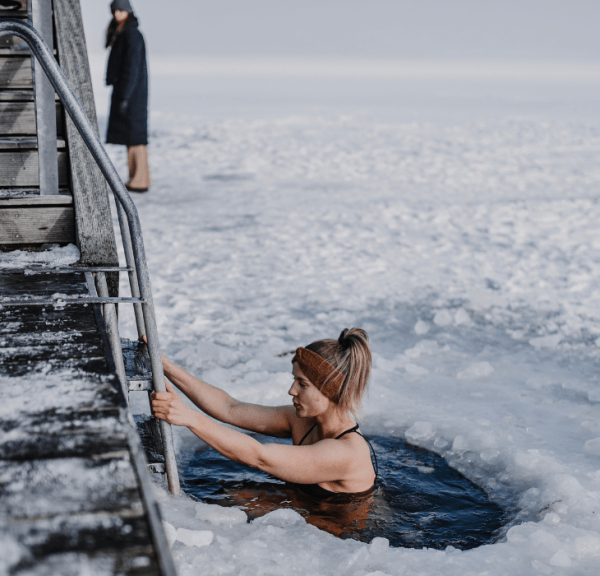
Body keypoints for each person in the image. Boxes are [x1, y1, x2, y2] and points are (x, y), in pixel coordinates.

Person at [151, 328, 378, 498]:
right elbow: (230, 408)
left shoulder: (347, 452)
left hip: (342, 534)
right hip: (308, 505)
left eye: (303, 384)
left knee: (228, 501)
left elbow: (260, 456)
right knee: (228, 497)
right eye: (294, 380)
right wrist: (166, 366)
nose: (291, 390)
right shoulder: (303, 421)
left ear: (332, 390)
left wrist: (189, 417)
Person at [105, 0, 151, 192]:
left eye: (121, 10)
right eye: (115, 11)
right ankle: (136, 178)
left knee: (135, 138)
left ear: (129, 12)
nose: (117, 14)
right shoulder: (123, 32)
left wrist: (125, 96)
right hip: (128, 91)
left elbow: (132, 68)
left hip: (132, 93)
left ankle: (140, 180)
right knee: (131, 137)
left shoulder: (131, 34)